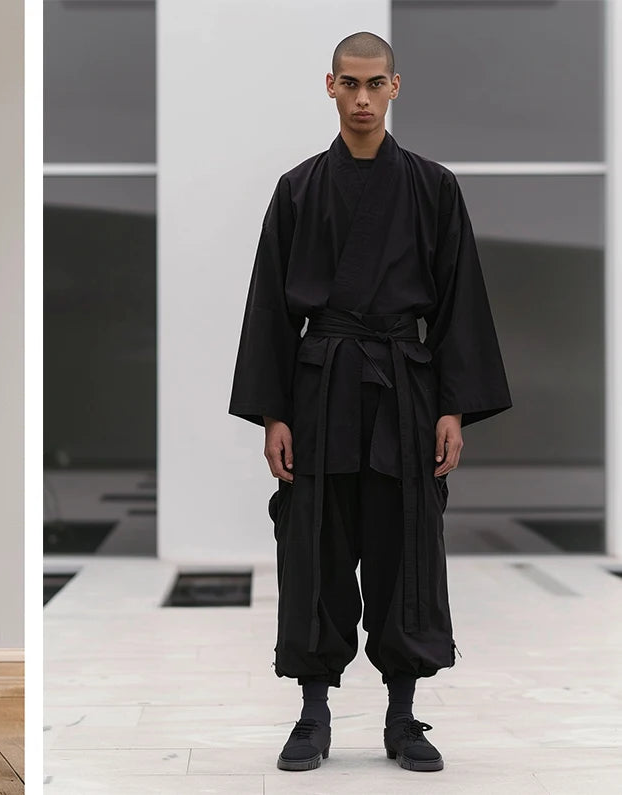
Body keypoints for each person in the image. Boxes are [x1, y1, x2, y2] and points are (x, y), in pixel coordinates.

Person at [229, 32, 511, 774]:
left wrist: (452, 405)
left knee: (404, 548)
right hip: (321, 387)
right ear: (329, 86)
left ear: (395, 87)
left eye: (373, 84)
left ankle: (402, 715)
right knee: (314, 545)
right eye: (348, 84)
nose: (360, 98)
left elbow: (458, 302)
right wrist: (274, 412)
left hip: (403, 388)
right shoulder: (298, 189)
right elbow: (268, 308)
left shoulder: (432, 187)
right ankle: (313, 711)